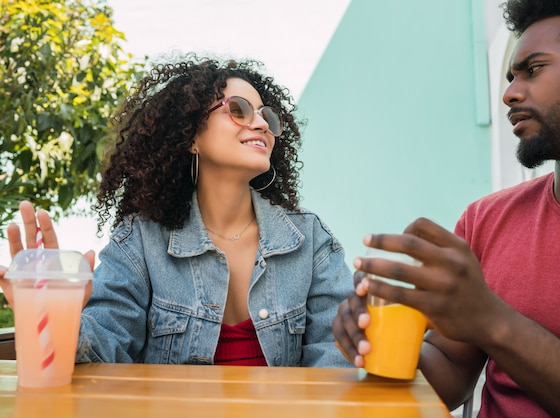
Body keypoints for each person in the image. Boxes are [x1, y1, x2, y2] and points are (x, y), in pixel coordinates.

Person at [332, 0, 560, 416]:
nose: (509, 93)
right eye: (509, 77)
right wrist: (383, 346)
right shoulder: (487, 220)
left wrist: (492, 321)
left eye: (534, 69)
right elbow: (451, 372)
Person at [1, 56, 354, 368]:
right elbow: (105, 345)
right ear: (190, 137)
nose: (261, 124)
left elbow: (337, 363)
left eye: (266, 116)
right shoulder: (140, 241)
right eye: (239, 109)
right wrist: (54, 316)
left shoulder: (310, 241)